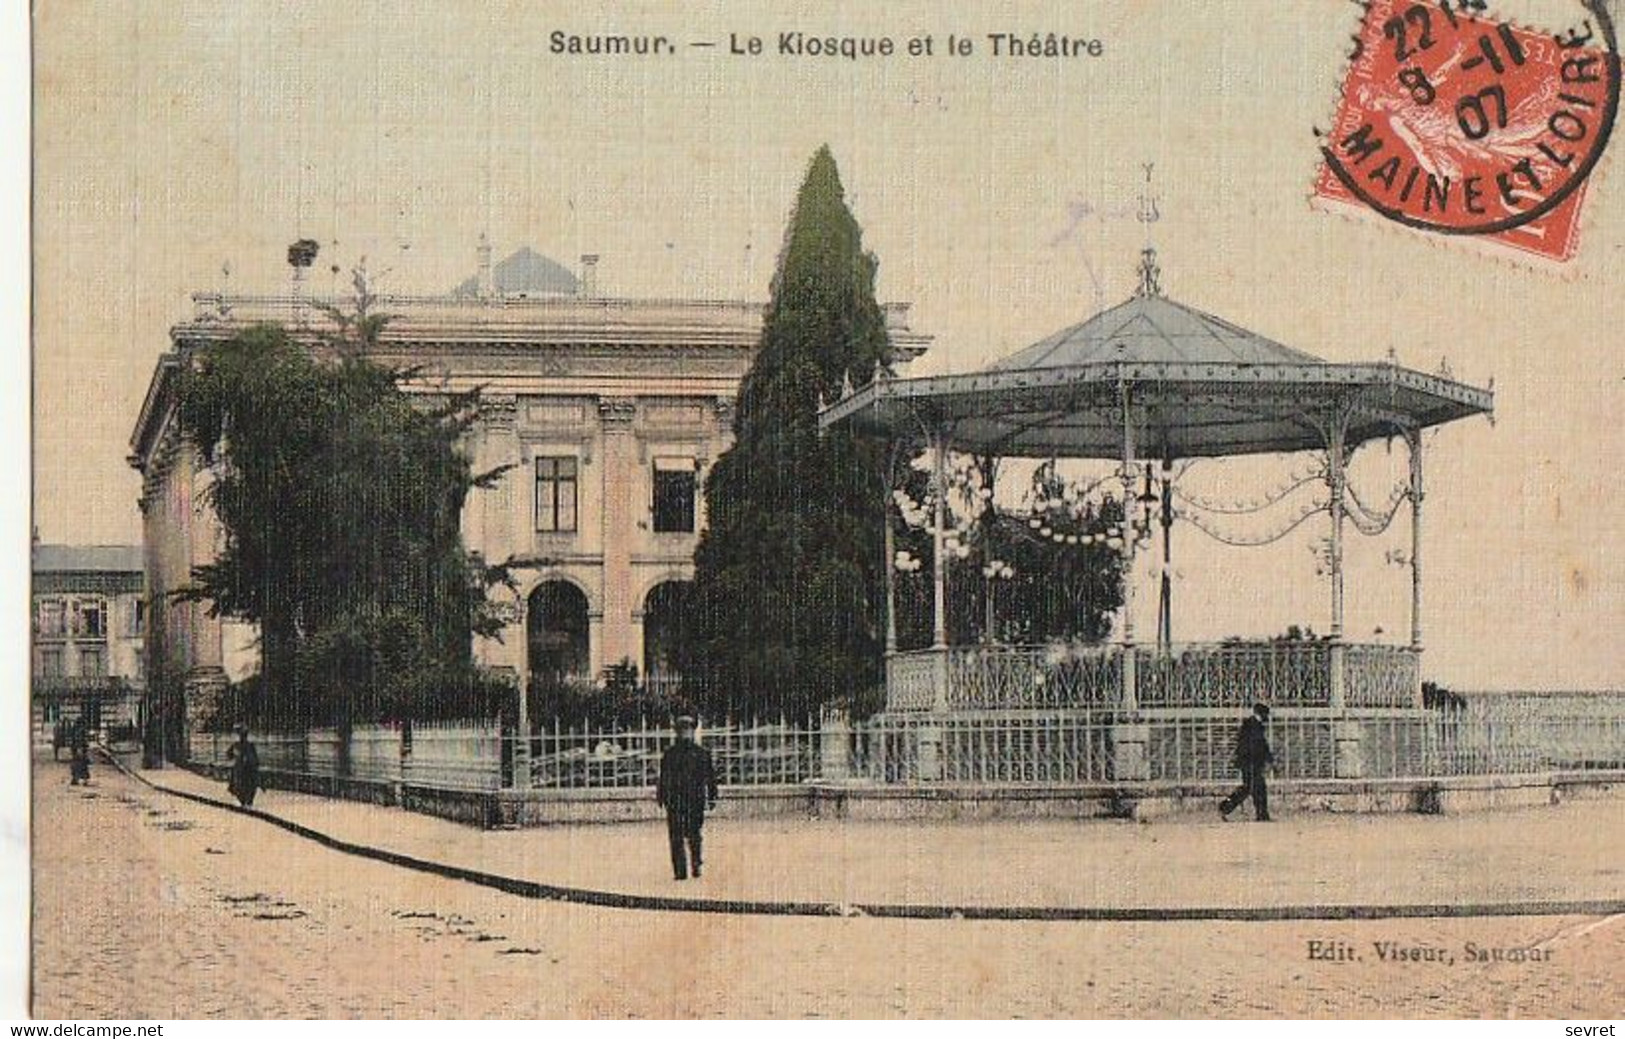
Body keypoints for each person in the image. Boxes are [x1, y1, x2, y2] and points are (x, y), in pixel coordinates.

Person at [656, 716, 717, 881]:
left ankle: (696, 862)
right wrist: (661, 796)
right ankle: (680, 871)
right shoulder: (670, 754)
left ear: (692, 731)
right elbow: (663, 777)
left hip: (695, 801)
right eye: (682, 730)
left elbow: (710, 777)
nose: (685, 733)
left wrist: (712, 797)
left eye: (688, 730)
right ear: (677, 732)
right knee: (676, 836)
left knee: (694, 834)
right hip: (675, 801)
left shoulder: (701, 753)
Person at [1219, 702, 1274, 822]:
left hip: (1249, 763)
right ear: (1261, 714)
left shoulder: (1251, 725)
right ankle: (1226, 808)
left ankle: (1226, 807)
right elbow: (1258, 746)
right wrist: (1266, 759)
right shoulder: (1253, 726)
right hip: (1250, 763)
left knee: (1251, 788)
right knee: (1254, 788)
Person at [226, 727, 260, 808]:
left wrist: (234, 756)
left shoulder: (238, 745)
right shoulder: (246, 745)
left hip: (244, 769)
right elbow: (255, 758)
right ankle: (246, 802)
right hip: (244, 768)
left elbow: (229, 755)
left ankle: (246, 801)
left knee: (243, 784)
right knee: (246, 784)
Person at [67, 720, 90, 786]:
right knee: (81, 765)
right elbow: (81, 741)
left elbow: (78, 741)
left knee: (77, 765)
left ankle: (77, 779)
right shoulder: (81, 731)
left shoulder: (77, 731)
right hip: (79, 750)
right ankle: (79, 780)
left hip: (78, 750)